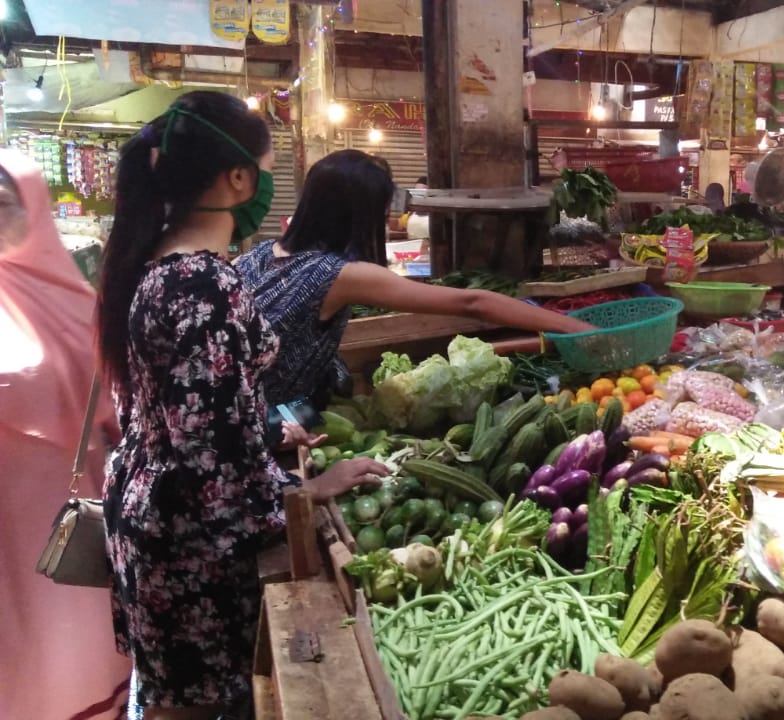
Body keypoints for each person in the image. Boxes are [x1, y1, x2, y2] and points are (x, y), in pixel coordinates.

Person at [96, 92, 385, 719]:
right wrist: (311, 493)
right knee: (191, 708)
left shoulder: (155, 264)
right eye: (268, 166)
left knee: (174, 699)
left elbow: (177, 414)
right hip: (188, 541)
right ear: (237, 178)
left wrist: (264, 437)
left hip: (153, 516)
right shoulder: (206, 283)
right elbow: (212, 474)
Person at [236, 149, 594, 412]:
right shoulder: (337, 274)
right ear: (360, 214)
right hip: (266, 424)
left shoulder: (256, 255)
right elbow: (473, 302)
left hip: (232, 416)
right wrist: (573, 327)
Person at [0, 152, 134, 719]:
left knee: (68, 651)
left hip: (61, 522)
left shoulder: (74, 301)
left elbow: (113, 408)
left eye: (4, 203)